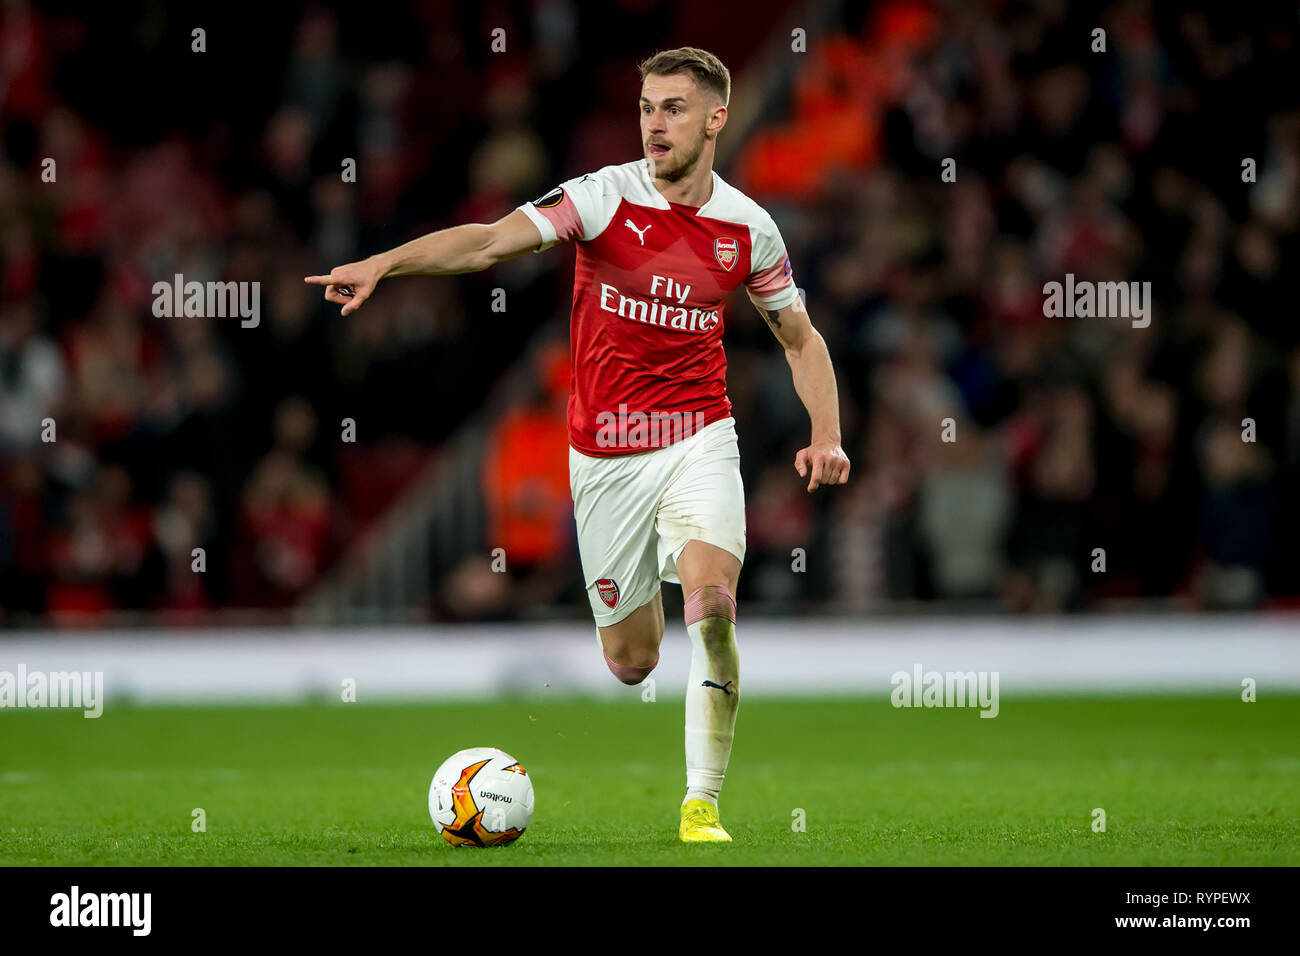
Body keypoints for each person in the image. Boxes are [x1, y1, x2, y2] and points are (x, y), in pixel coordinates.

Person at [306, 46, 850, 843]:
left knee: (714, 607)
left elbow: (800, 339)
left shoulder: (748, 229)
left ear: (715, 118)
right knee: (632, 661)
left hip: (700, 435)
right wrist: (386, 264)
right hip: (604, 458)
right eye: (646, 108)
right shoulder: (601, 197)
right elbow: (490, 242)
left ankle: (701, 804)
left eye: (672, 108)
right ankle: (658, 587)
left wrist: (827, 435)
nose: (654, 123)